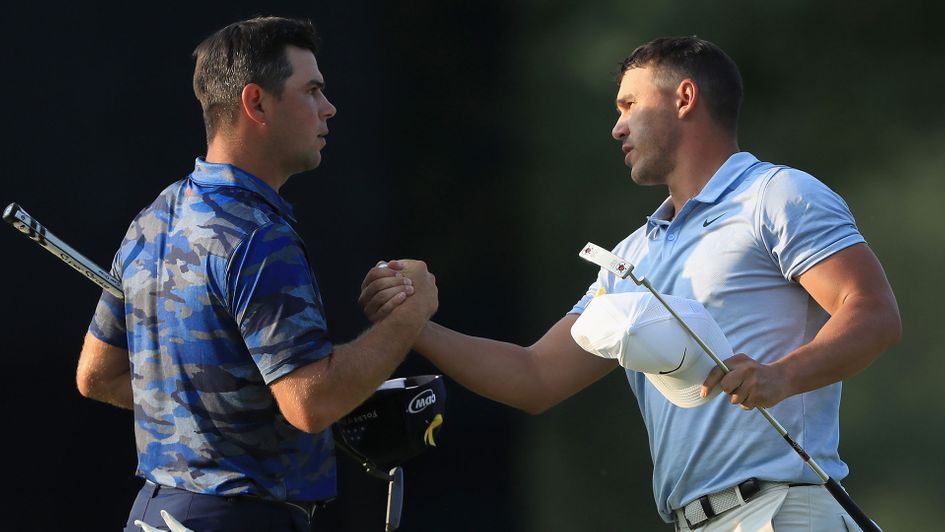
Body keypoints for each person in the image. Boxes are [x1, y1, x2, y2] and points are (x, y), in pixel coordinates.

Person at [360, 36, 901, 530]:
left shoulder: (776, 194)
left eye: (628, 105)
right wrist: (413, 327)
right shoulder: (628, 257)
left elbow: (872, 312)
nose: (617, 128)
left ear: (684, 98)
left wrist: (782, 376)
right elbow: (535, 376)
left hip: (784, 513)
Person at [76, 16, 438, 532]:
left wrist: (227, 414)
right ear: (257, 103)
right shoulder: (259, 237)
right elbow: (312, 402)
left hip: (155, 514)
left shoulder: (153, 219)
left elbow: (98, 375)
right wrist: (411, 313)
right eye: (311, 90)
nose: (328, 108)